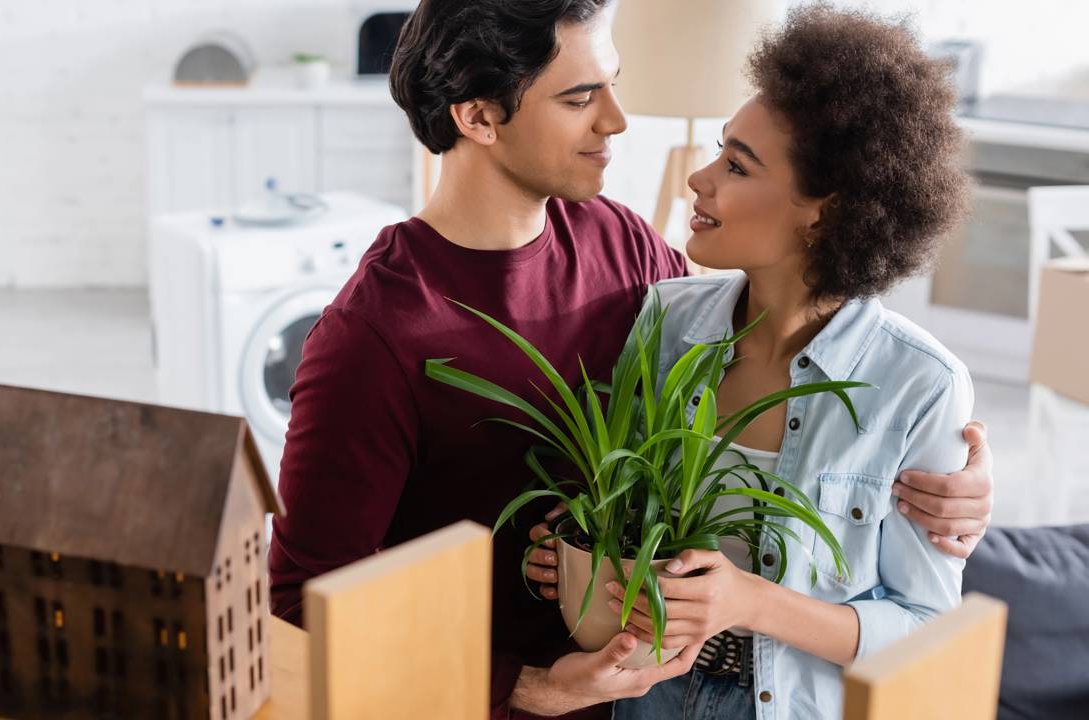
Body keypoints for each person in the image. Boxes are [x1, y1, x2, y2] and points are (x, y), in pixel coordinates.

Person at [268, 2, 995, 719]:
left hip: (647, 696)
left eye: (612, 83)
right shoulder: (374, 336)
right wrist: (526, 687)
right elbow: (302, 601)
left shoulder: (625, 250)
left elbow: (785, 345)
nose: (616, 120)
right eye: (581, 96)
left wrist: (954, 483)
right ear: (480, 117)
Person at [529, 5, 990, 718]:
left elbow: (928, 627)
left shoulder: (919, 385)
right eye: (719, 151)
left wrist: (749, 602)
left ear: (824, 213)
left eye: (737, 166)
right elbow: (615, 512)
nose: (699, 180)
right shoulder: (663, 322)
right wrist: (570, 556)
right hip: (648, 694)